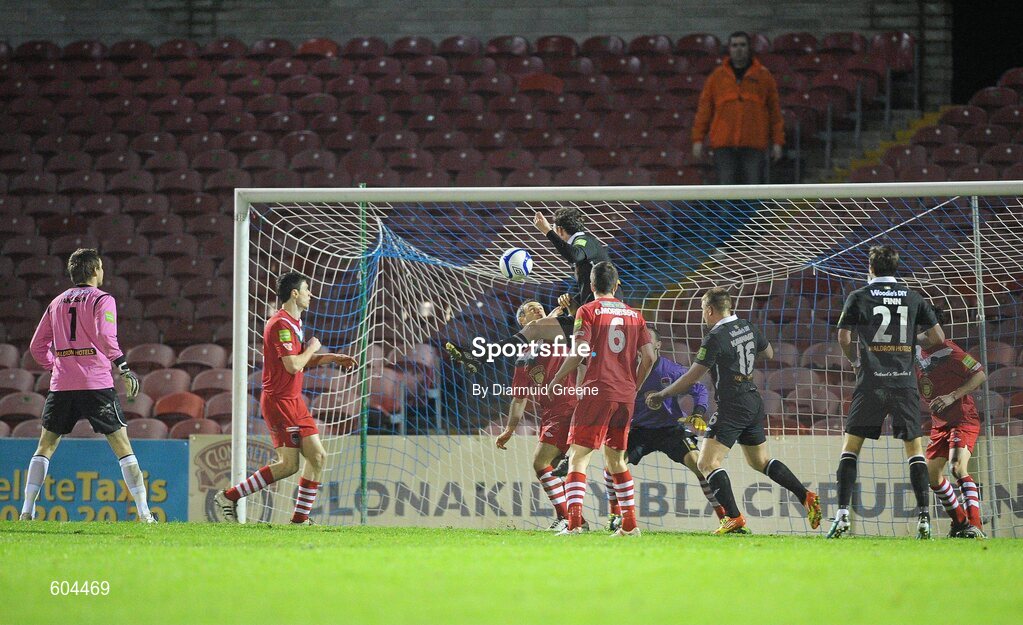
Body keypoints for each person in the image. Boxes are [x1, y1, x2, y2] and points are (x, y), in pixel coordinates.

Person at [646, 287, 822, 535]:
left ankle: (734, 517)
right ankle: (806, 496)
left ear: (709, 310)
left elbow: (691, 377)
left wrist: (662, 394)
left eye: (702, 311)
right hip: (753, 399)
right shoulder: (748, 326)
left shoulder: (715, 337)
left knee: (707, 463)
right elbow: (768, 353)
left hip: (733, 405)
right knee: (759, 461)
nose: (702, 316)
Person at [214, 271, 358, 524]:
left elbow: (299, 363)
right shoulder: (279, 324)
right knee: (291, 464)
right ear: (294, 293)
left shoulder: (294, 323)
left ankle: (298, 520)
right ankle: (230, 496)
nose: (310, 294)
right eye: (307, 289)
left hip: (294, 400)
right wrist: (314, 347)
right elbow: (292, 365)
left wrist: (332, 358)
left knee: (315, 458)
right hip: (280, 402)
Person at [21, 248, 154, 522]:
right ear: (95, 270)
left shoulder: (56, 302)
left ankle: (26, 510)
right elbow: (106, 335)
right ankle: (145, 513)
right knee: (121, 445)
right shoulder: (102, 299)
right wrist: (123, 366)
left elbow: (37, 347)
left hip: (62, 385)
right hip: (96, 383)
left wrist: (56, 365)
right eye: (101, 267)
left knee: (45, 446)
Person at [827, 245, 944, 539]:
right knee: (914, 451)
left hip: (871, 383)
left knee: (851, 448)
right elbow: (937, 337)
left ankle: (841, 515)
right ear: (896, 267)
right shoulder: (913, 296)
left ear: (871, 267)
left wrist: (854, 360)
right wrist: (909, 339)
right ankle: (924, 519)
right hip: (903, 383)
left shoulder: (859, 296)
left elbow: (843, 336)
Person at [548, 261, 656, 537]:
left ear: (592, 286)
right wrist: (634, 385)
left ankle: (573, 525)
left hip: (598, 391)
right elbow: (650, 357)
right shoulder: (635, 314)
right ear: (617, 284)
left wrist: (557, 379)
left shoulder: (587, 311)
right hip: (625, 395)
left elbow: (579, 351)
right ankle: (630, 525)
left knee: (578, 458)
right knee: (617, 461)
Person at [445, 207, 609, 373]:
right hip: (592, 317)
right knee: (538, 332)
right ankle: (478, 356)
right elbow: (589, 286)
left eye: (555, 230)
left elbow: (575, 255)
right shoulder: (587, 251)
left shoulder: (584, 240)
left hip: (601, 318)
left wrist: (547, 231)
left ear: (559, 229)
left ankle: (479, 356)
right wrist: (574, 303)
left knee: (537, 331)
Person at [603, 326, 726, 532]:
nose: (643, 344)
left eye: (648, 340)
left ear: (658, 345)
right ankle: (614, 514)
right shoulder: (626, 370)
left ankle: (724, 517)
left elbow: (699, 389)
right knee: (611, 465)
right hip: (638, 430)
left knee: (700, 465)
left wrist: (697, 412)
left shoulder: (672, 370)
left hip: (670, 430)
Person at [495, 300, 584, 531]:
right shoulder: (524, 357)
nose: (536, 309)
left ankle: (567, 519)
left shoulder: (558, 333)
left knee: (540, 462)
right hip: (551, 411)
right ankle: (577, 520)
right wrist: (509, 429)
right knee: (556, 466)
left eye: (539, 307)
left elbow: (573, 323)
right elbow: (519, 398)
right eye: (528, 309)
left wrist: (569, 307)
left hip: (568, 404)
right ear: (521, 321)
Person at [916, 304, 986, 538]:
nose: (918, 332)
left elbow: (980, 373)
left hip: (963, 419)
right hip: (940, 423)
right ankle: (959, 522)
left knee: (958, 468)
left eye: (924, 328)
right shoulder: (916, 351)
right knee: (932, 475)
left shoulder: (951, 351)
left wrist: (952, 396)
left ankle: (975, 526)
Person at [691, 31, 784, 185]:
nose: (738, 49)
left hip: (754, 144)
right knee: (726, 194)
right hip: (724, 145)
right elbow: (704, 111)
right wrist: (697, 139)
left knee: (753, 194)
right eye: (734, 45)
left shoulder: (763, 76)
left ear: (749, 48)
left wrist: (777, 142)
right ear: (729, 48)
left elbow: (775, 113)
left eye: (742, 45)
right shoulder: (717, 77)